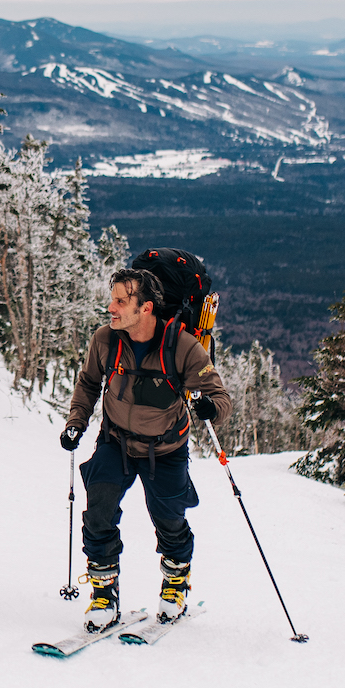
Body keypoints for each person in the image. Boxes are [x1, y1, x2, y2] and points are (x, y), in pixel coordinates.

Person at [60, 268, 233, 630]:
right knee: (98, 513)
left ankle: (175, 583)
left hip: (166, 448)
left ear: (147, 308)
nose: (112, 307)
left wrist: (210, 408)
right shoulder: (106, 340)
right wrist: (76, 421)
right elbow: (89, 383)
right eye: (113, 299)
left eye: (121, 301)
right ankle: (104, 594)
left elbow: (219, 395)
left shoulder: (182, 346)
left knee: (169, 519)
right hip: (115, 441)